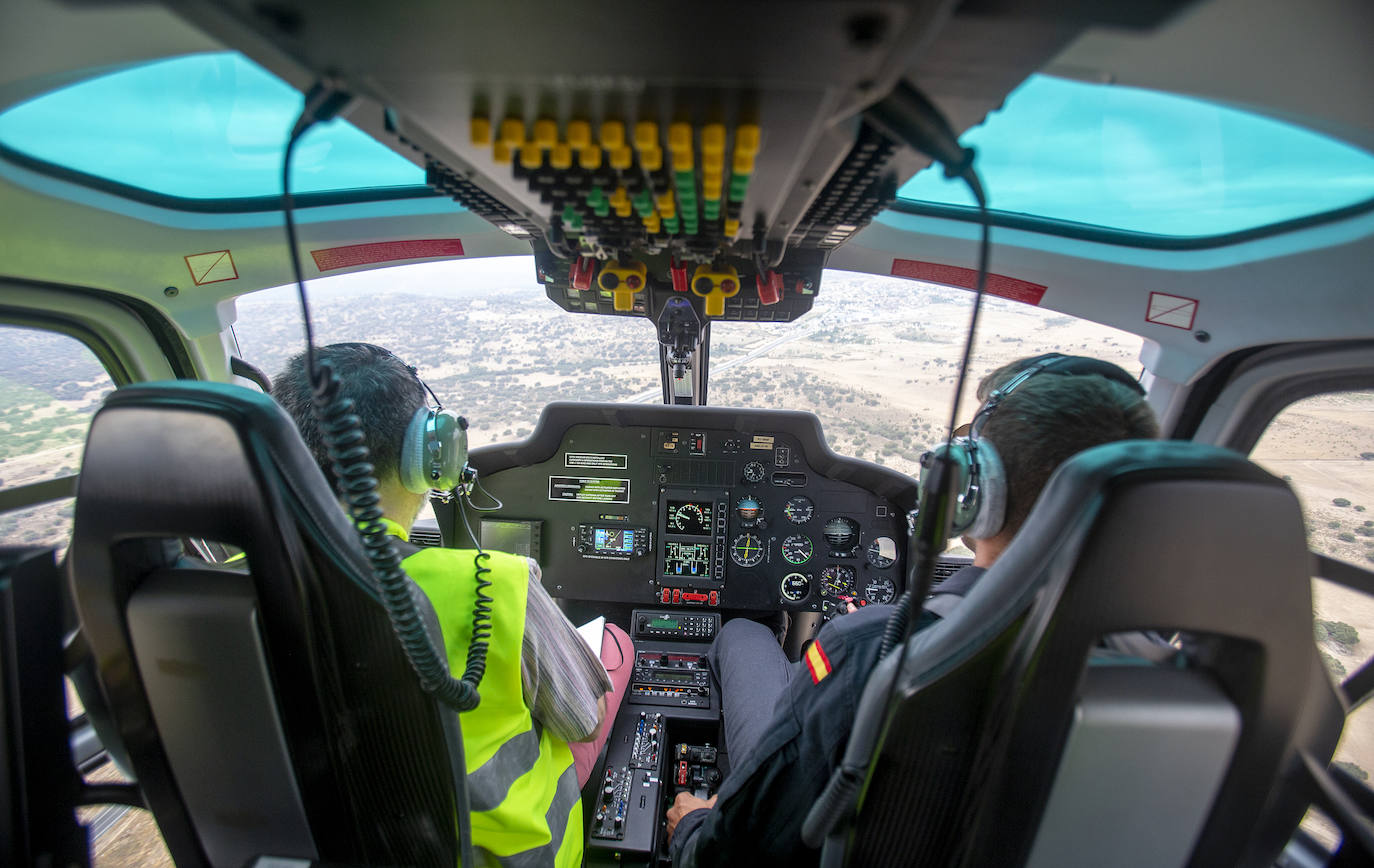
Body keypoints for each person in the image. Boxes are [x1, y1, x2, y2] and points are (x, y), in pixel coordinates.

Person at [666, 353, 1160, 867]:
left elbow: (736, 854)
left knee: (743, 633)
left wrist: (694, 827)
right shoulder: (1163, 669)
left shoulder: (874, 649)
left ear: (974, 491)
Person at [274, 341, 633, 867]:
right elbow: (584, 722)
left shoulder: (228, 586)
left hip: (334, 847)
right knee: (615, 645)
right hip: (500, 855)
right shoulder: (495, 584)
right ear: (430, 454)